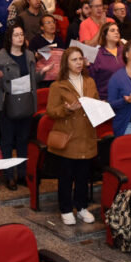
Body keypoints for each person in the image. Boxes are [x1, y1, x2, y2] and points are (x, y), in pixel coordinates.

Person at [46, 47, 100, 225]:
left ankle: (82, 207)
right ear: (66, 63)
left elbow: (96, 101)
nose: (78, 63)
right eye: (74, 60)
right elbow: (51, 111)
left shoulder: (90, 81)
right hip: (69, 136)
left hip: (86, 134)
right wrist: (66, 109)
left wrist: (100, 107)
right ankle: (66, 208)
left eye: (80, 59)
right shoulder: (58, 85)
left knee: (83, 175)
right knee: (66, 176)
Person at [0, 25, 40, 190]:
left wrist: (43, 73)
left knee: (23, 140)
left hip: (26, 103)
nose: (19, 37)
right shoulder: (1, 56)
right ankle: (9, 176)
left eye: (21, 34)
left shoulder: (29, 55)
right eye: (16, 35)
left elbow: (33, 79)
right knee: (7, 141)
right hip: (7, 104)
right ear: (10, 38)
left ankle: (22, 174)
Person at [89, 22, 126, 99]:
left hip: (125, 95)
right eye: (112, 30)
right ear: (104, 35)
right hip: (105, 97)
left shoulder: (125, 51)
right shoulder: (97, 54)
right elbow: (91, 79)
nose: (116, 32)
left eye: (117, 31)